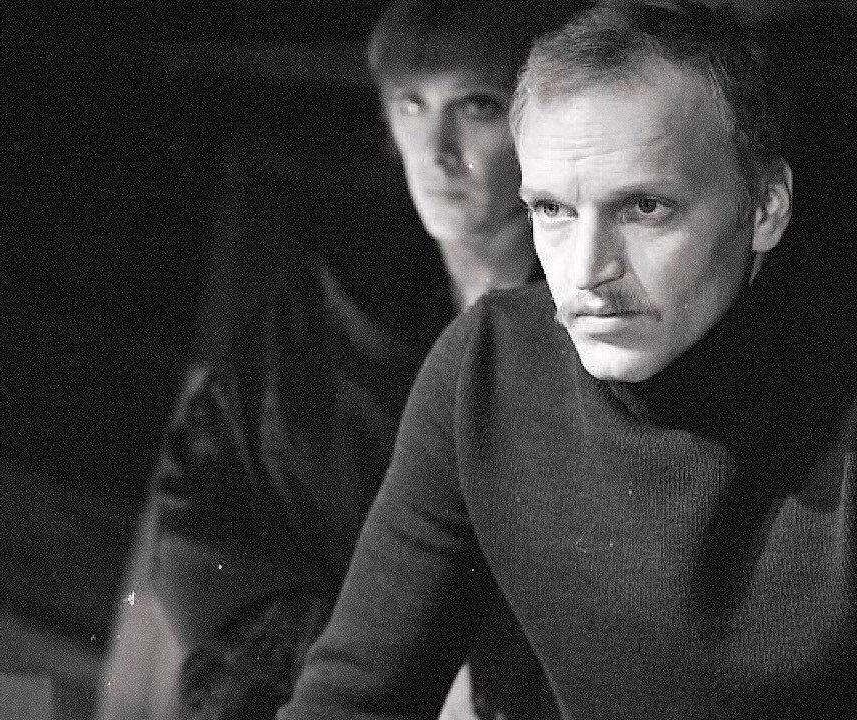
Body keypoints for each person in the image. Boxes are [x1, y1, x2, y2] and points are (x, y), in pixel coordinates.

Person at [278, 2, 857, 718]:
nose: (586, 271)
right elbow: (350, 699)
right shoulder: (487, 366)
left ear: (765, 208)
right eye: (553, 210)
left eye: (644, 207)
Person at [95, 3, 581, 719]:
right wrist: (346, 658)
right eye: (412, 106)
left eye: (476, 106)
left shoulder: (593, 323)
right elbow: (202, 505)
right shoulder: (327, 310)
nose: (438, 151)